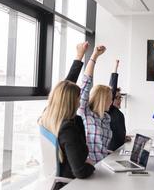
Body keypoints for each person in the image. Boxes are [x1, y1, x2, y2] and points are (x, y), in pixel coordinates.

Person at [38, 42, 94, 189]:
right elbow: (80, 171)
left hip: (57, 181)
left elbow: (65, 88)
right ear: (71, 101)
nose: (80, 100)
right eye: (78, 97)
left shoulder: (48, 116)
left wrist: (79, 56)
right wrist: (91, 166)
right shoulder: (68, 128)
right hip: (70, 184)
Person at [77, 45, 113, 164]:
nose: (111, 102)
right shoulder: (85, 113)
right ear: (102, 100)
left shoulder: (106, 118)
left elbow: (101, 147)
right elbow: (86, 82)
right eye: (110, 99)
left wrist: (111, 154)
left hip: (104, 166)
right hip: (90, 169)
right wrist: (94, 56)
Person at [107, 60, 131, 151]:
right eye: (116, 97)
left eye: (120, 97)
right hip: (111, 153)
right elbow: (112, 88)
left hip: (119, 151)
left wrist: (123, 138)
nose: (119, 100)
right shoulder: (108, 111)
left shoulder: (119, 113)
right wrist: (115, 69)